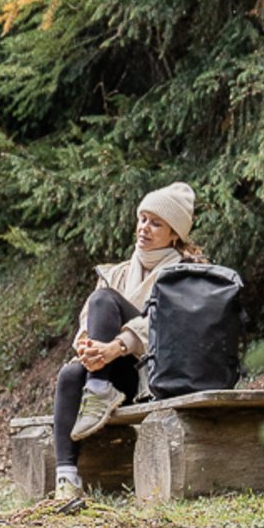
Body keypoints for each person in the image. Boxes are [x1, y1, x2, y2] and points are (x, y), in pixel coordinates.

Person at [50, 182, 203, 504]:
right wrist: (86, 344)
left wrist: (117, 346)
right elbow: (87, 319)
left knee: (104, 299)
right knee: (69, 375)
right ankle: (66, 480)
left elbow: (168, 325)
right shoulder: (116, 273)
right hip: (116, 373)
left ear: (175, 233)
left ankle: (98, 389)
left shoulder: (186, 274)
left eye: (156, 223)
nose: (144, 228)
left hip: (158, 373)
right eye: (143, 218)